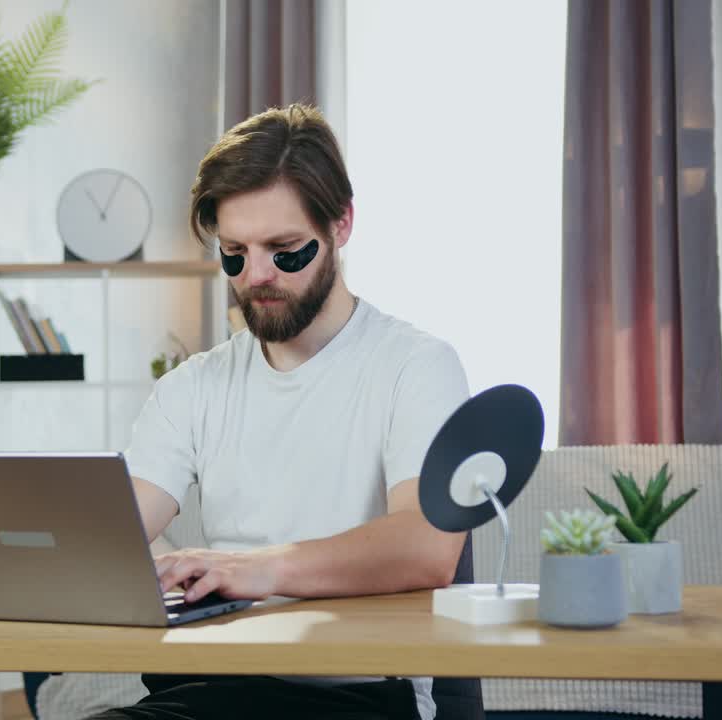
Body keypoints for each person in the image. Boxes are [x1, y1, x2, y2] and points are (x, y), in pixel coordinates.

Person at [93, 104, 471, 720]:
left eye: (285, 250)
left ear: (342, 224)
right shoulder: (194, 386)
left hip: (358, 697)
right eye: (234, 253)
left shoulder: (416, 366)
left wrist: (257, 569)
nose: (257, 276)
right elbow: (112, 530)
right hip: (212, 689)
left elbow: (426, 546)